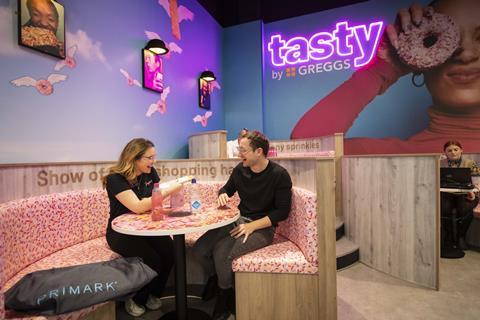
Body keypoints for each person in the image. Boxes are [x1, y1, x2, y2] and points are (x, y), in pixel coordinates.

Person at [291, 0, 480, 155]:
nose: (467, 55)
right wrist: (380, 70)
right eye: (448, 41)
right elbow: (303, 149)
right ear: (422, 64)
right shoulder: (396, 157)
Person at [192, 130, 292, 320]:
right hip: (236, 220)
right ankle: (215, 278)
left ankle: (225, 296)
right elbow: (227, 189)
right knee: (199, 249)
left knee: (223, 254)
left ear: (259, 152)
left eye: (243, 150)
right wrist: (222, 194)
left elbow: (282, 212)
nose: (239, 154)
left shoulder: (279, 175)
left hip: (262, 227)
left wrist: (252, 226)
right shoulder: (240, 169)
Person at [102, 138, 182, 317]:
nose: (153, 162)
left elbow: (155, 202)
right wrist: (170, 189)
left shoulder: (150, 173)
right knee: (152, 259)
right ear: (134, 158)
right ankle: (137, 298)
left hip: (148, 228)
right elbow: (138, 206)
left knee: (171, 252)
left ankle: (153, 294)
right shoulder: (115, 179)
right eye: (149, 158)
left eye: (154, 157)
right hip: (121, 232)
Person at [440, 140, 479, 258]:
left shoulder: (470, 163)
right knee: (444, 208)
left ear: (461, 150)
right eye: (449, 150)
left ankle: (461, 237)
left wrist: (473, 191)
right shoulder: (440, 163)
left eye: (456, 149)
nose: (453, 152)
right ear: (445, 153)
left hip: (467, 194)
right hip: (446, 194)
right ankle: (448, 237)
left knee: (464, 208)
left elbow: (478, 181)